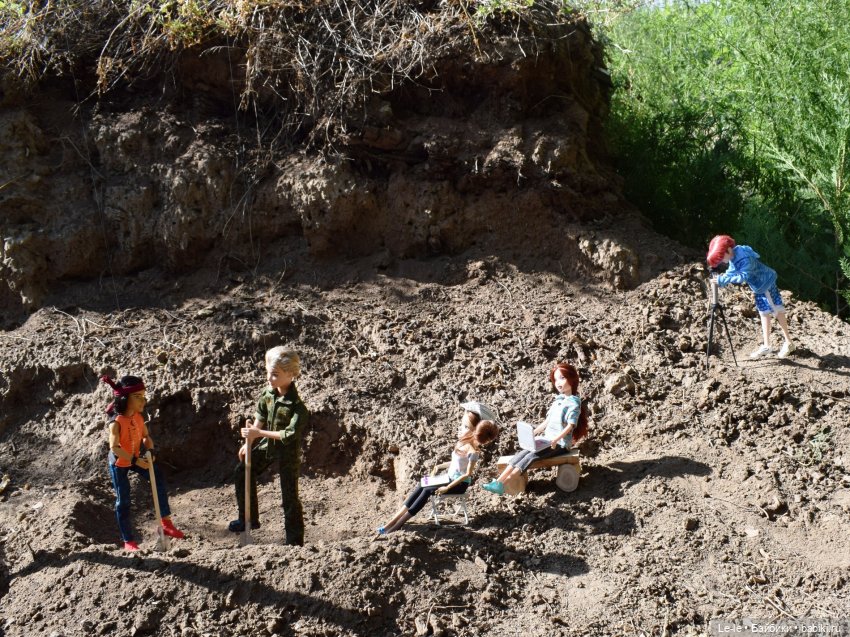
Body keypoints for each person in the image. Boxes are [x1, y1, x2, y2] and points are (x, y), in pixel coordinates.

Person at [377, 402, 499, 534]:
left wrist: (447, 487)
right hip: (449, 478)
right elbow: (455, 463)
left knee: (427, 490)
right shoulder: (461, 444)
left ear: (476, 431)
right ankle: (392, 521)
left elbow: (467, 475)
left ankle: (398, 524)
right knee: (422, 484)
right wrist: (439, 466)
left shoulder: (473, 452)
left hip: (458, 484)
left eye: (465, 427)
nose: (461, 428)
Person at [229, 346, 309, 546]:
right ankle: (248, 518)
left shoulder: (298, 408)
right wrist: (250, 441)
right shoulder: (268, 394)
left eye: (275, 375)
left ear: (290, 374)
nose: (269, 378)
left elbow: (288, 434)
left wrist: (258, 434)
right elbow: (261, 415)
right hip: (268, 445)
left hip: (287, 451)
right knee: (243, 471)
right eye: (268, 373)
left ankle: (294, 540)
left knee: (289, 496)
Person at [102, 375, 185, 551]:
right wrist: (135, 460)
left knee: (157, 477)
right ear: (125, 399)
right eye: (138, 397)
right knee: (123, 500)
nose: (143, 401)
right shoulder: (116, 423)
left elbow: (146, 437)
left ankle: (166, 523)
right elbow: (114, 448)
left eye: (143, 396)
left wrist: (150, 451)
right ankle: (128, 540)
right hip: (119, 462)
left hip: (136, 457)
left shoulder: (138, 417)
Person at [482, 363, 588, 495]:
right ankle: (497, 482)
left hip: (559, 444)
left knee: (532, 456)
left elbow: (570, 425)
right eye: (556, 380)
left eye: (562, 378)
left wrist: (556, 439)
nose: (558, 383)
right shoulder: (558, 401)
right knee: (522, 454)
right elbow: (547, 422)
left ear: (572, 378)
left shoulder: (573, 403)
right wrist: (533, 433)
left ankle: (504, 484)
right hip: (547, 440)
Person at [706, 235, 795, 359]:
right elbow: (732, 271)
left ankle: (789, 342)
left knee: (776, 311)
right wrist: (722, 279)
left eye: (721, 257)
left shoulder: (744, 257)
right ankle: (767, 345)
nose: (721, 261)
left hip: (765, 284)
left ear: (728, 250)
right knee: (764, 313)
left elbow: (743, 276)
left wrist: (722, 280)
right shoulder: (734, 255)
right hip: (759, 288)